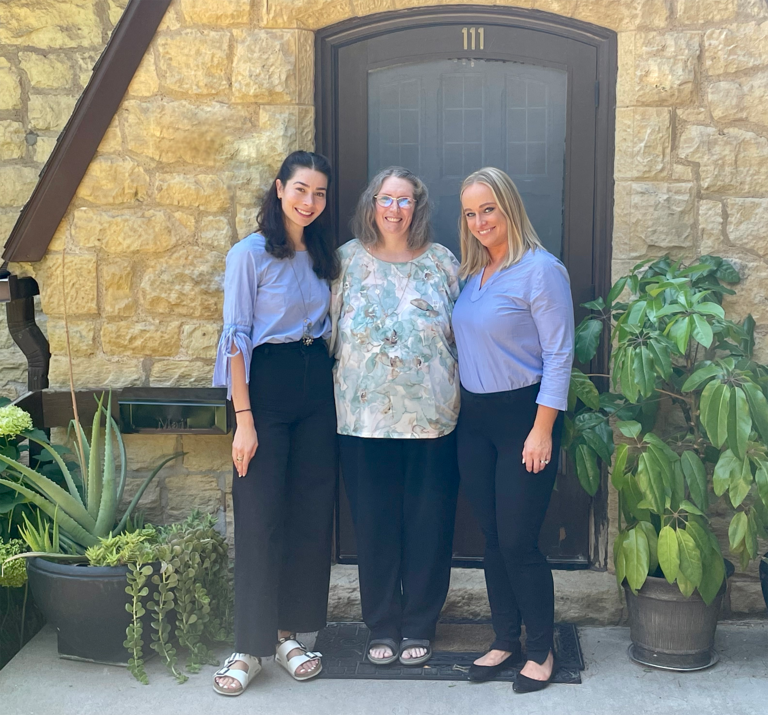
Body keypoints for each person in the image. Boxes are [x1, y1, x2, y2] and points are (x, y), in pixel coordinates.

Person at [211, 151, 340, 696]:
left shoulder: (323, 253)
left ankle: (287, 634)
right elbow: (237, 338)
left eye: (320, 194)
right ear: (280, 188)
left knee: (310, 515)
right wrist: (243, 419)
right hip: (265, 389)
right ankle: (248, 645)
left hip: (317, 387)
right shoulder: (250, 253)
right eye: (301, 190)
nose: (310, 202)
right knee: (260, 515)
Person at [330, 167, 461, 667]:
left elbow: (460, 334)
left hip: (433, 420)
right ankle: (382, 624)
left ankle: (421, 625)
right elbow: (326, 336)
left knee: (430, 524)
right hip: (362, 421)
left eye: (405, 201)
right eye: (386, 199)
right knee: (376, 526)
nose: (394, 209)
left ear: (418, 208)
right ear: (371, 203)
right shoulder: (344, 262)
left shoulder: (443, 263)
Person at [452, 167, 574, 693]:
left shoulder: (540, 270)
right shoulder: (473, 274)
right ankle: (504, 640)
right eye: (470, 213)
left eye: (489, 209)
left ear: (509, 208)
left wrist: (542, 429)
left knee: (520, 540)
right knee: (493, 538)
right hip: (474, 421)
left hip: (525, 418)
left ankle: (541, 649)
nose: (480, 221)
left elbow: (560, 354)